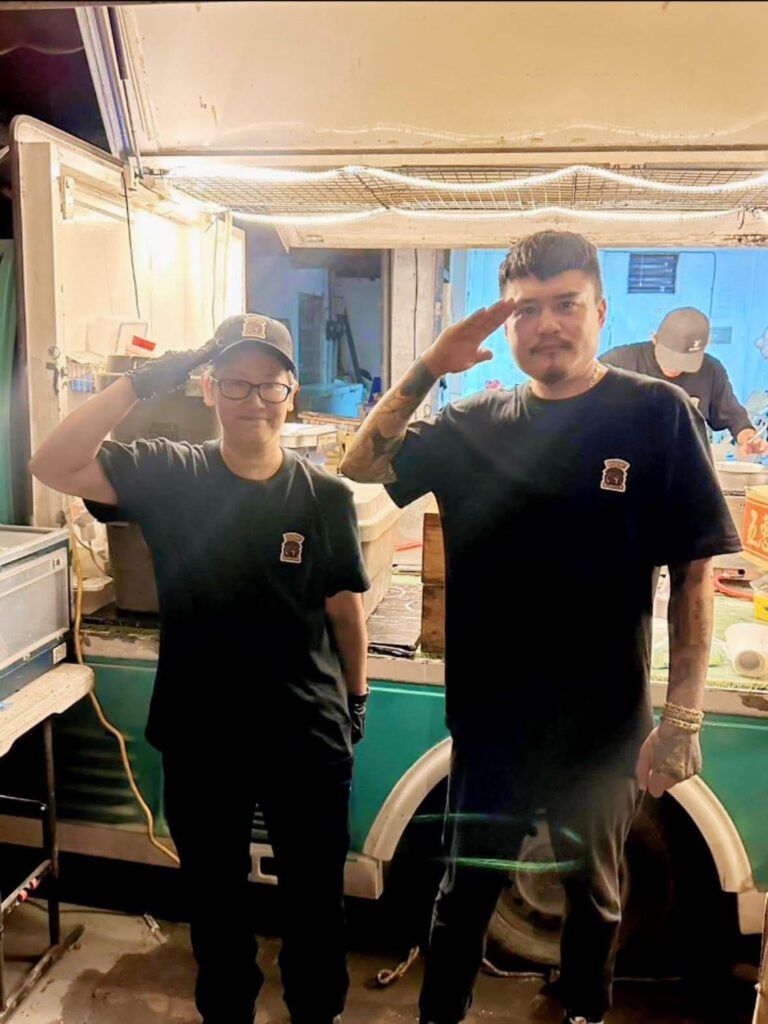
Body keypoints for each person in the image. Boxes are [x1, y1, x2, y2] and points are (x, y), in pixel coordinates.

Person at [340, 231, 741, 1024]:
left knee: (594, 905)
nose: (547, 324)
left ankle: (583, 1015)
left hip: (604, 731)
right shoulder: (473, 422)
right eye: (527, 309)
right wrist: (429, 367)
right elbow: (359, 467)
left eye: (565, 305)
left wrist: (682, 717)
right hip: (491, 725)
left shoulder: (655, 413)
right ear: (508, 325)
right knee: (461, 902)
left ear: (600, 311)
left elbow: (695, 571)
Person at [30, 313, 370, 1024]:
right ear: (210, 390)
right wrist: (138, 382)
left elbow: (344, 611)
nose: (253, 399)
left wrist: (357, 698)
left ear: (291, 394)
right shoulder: (169, 472)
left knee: (315, 910)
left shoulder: (326, 498)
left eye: (268, 384)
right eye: (236, 382)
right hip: (201, 736)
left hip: (305, 736)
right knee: (217, 915)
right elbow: (52, 463)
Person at [601, 307, 768, 456]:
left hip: (683, 469)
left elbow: (734, 418)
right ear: (654, 339)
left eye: (685, 361)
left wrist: (748, 439)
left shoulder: (711, 370)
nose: (674, 368)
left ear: (705, 347)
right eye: (670, 357)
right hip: (624, 465)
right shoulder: (619, 362)